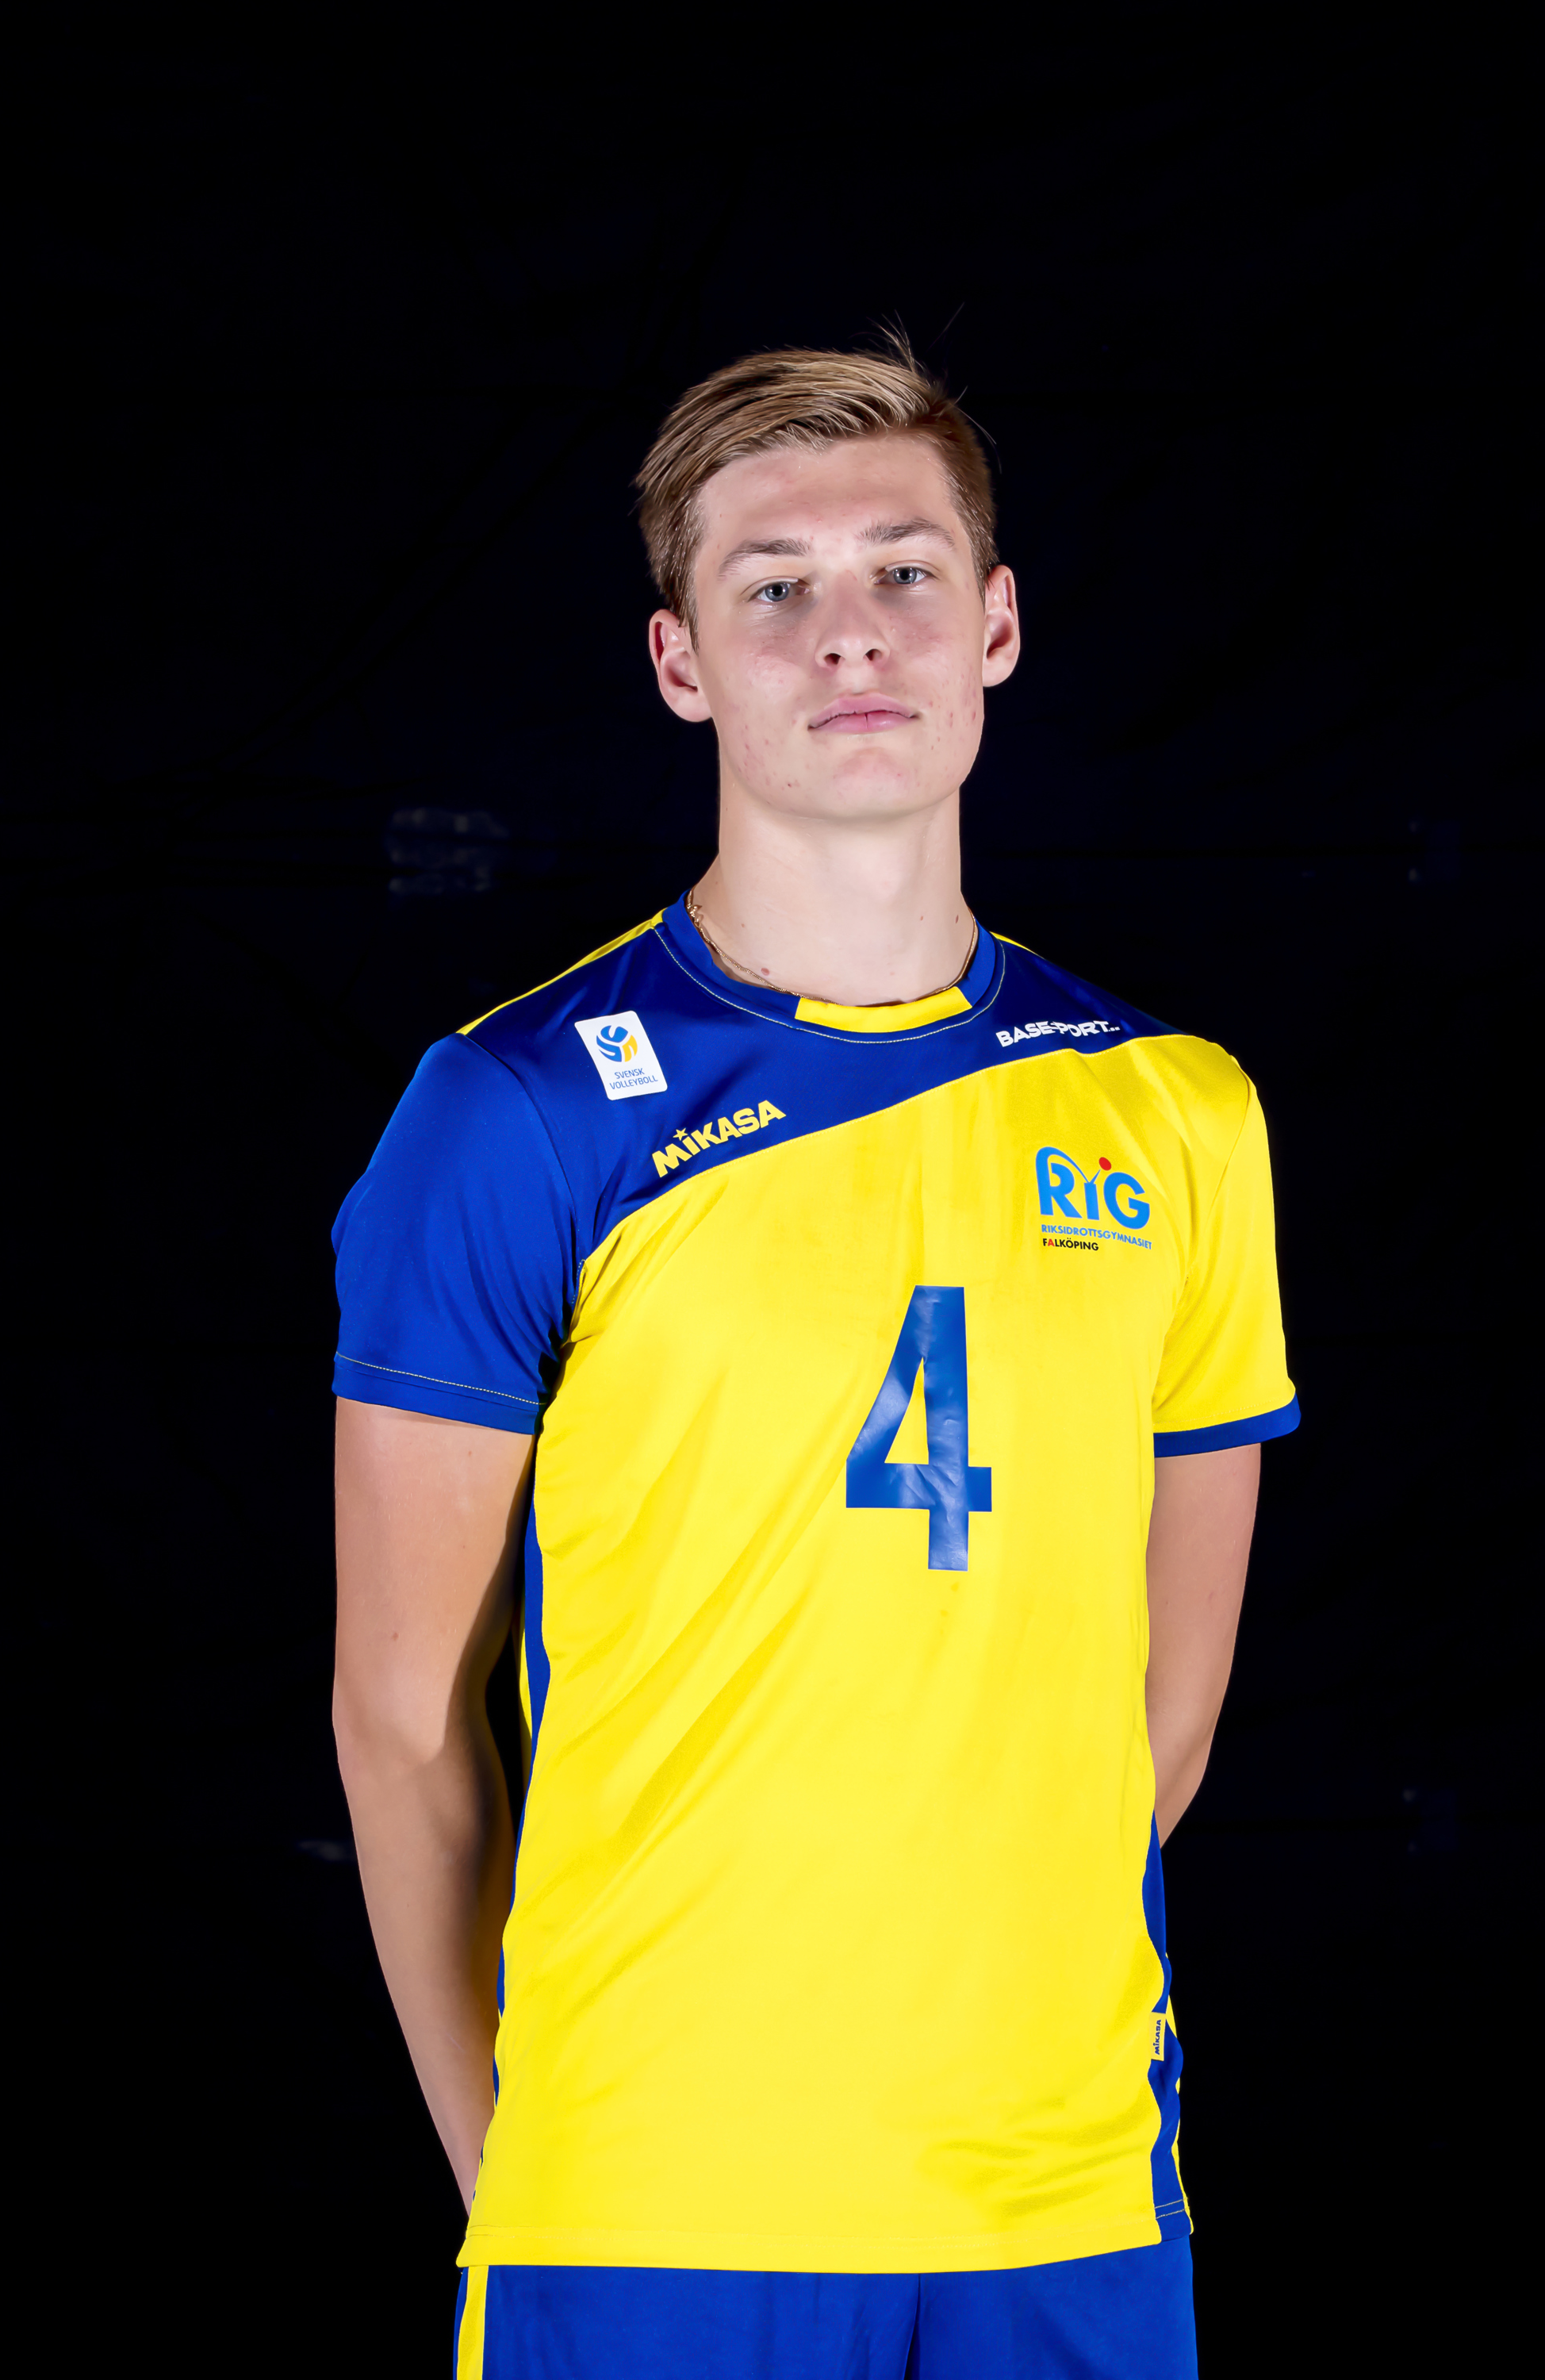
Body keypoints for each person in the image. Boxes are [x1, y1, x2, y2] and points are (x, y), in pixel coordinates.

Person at [330, 344, 1298, 2379]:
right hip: (653, 2195)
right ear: (680, 661)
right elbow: (401, 1719)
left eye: (902, 571)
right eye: (773, 586)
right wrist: (519, 2165)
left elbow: (1165, 1701)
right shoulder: (515, 1112)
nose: (849, 633)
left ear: (995, 625)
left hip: (1067, 2196)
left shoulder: (1180, 1117)